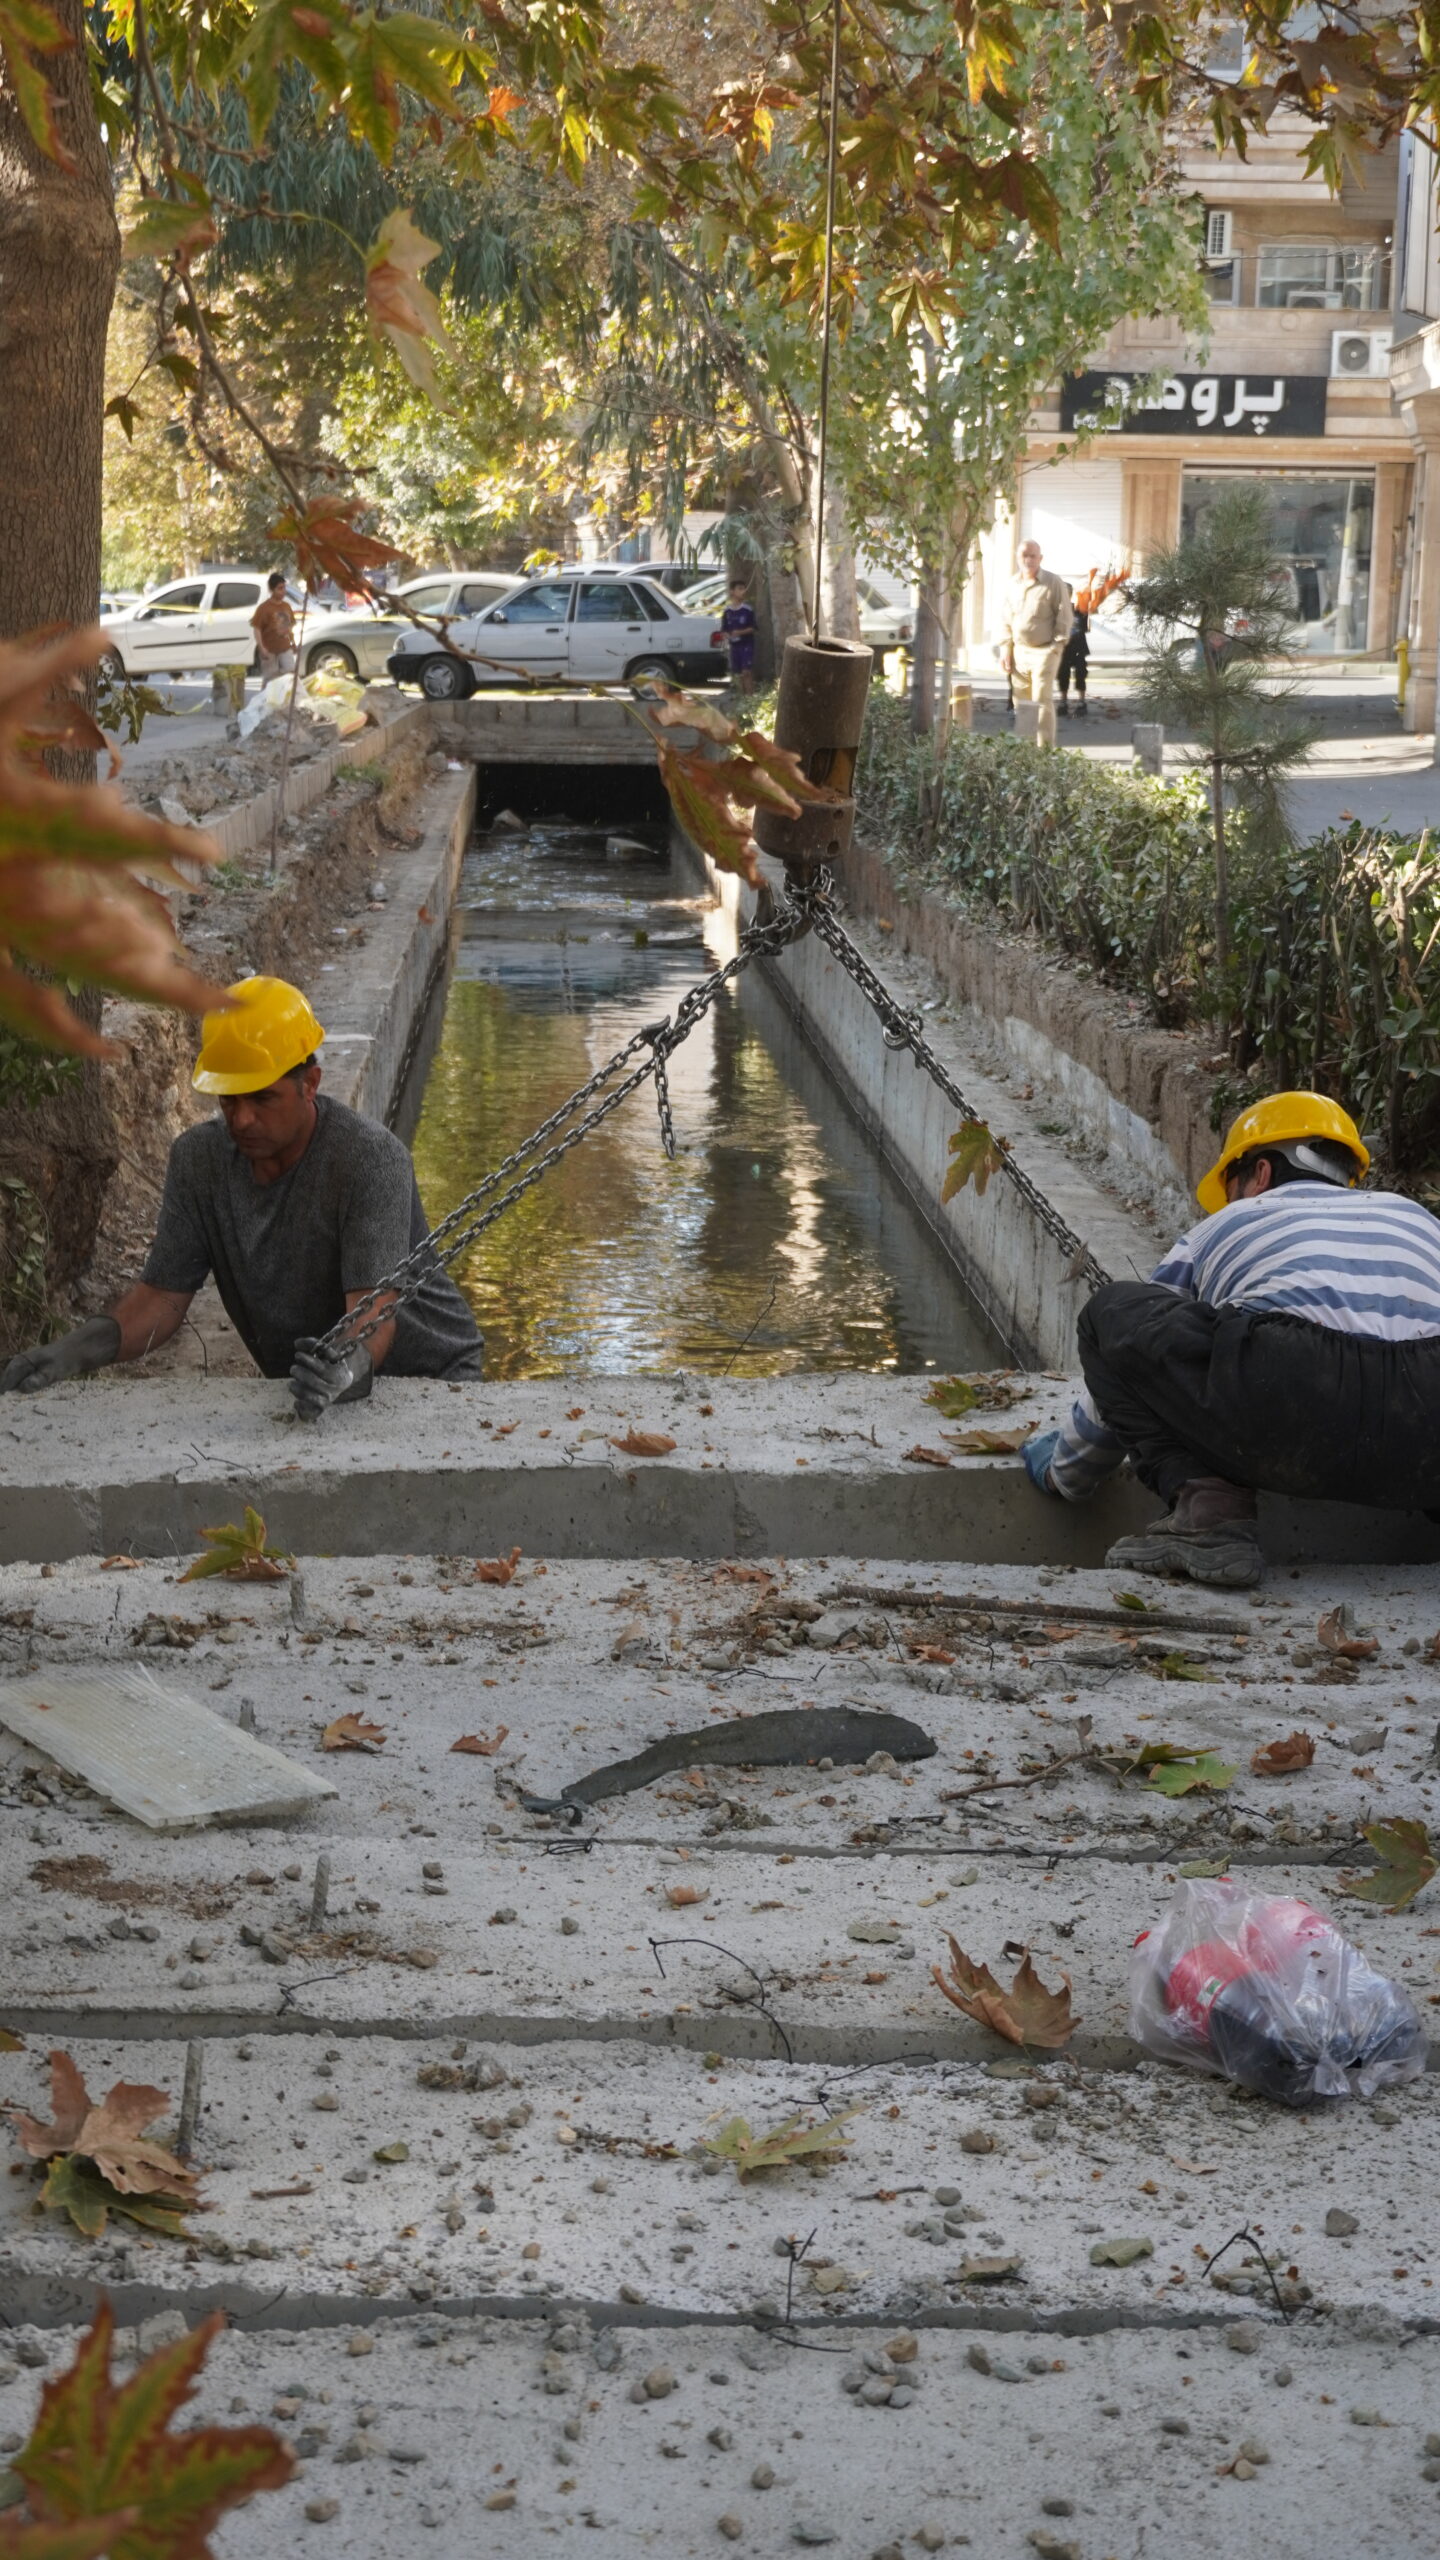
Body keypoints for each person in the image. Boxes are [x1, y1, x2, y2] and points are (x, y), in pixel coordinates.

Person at [0, 978, 484, 1421]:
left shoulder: (369, 1159)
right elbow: (161, 1301)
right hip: (311, 1388)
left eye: (262, 1099)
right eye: (229, 1099)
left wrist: (344, 1368)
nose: (242, 1120)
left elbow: (372, 1314)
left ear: (309, 1085)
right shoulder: (199, 1161)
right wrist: (72, 1351)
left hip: (431, 1377)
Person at [1020, 1092, 1440, 1589]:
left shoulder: (1224, 1224)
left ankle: (1210, 1516)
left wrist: (1065, 1469)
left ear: (1260, 1173)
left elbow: (1133, 1356)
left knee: (1112, 1313)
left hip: (1290, 1385)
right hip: (1427, 1412)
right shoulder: (1418, 1220)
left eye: (1233, 1185)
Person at [998, 540, 1070, 749]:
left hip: (1045, 651)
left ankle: (1045, 751)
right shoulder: (1012, 584)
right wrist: (1005, 648)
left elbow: (1064, 615)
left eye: (1032, 556)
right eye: (1024, 555)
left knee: (1041, 699)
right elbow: (1005, 618)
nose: (1028, 560)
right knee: (1022, 701)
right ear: (1017, 557)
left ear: (1040, 558)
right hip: (1019, 651)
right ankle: (1024, 751)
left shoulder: (1053, 582)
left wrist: (1056, 647)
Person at [251, 572, 297, 679]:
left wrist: (293, 643)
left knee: (290, 675)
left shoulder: (287, 606)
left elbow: (290, 627)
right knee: (271, 680)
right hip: (269, 651)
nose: (283, 591)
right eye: (280, 588)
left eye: (284, 588)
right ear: (272, 590)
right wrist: (262, 648)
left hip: (285, 648)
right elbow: (257, 629)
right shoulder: (264, 608)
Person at [721, 580, 757, 694]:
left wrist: (740, 632)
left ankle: (750, 699)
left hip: (746, 644)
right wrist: (726, 634)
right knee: (738, 674)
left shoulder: (747, 610)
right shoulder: (727, 611)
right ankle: (742, 698)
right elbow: (724, 629)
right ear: (732, 591)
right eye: (740, 589)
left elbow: (753, 628)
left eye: (744, 589)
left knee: (747, 672)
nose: (743, 591)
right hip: (734, 646)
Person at [1056, 598, 1089, 719]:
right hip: (1064, 648)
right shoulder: (1056, 611)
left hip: (1079, 647)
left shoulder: (1080, 610)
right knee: (1063, 674)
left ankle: (1081, 701)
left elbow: (1085, 628)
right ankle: (1063, 701)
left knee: (1081, 673)